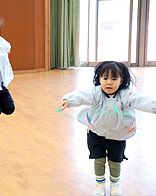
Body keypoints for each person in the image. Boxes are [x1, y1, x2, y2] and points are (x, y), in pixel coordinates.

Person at [59, 61, 156, 196]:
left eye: (114, 79)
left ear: (121, 80)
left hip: (118, 135)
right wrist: (68, 100)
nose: (109, 83)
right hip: (96, 133)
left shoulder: (126, 94)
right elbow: (81, 95)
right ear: (99, 79)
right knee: (98, 160)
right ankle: (99, 185)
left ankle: (115, 184)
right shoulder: (96, 92)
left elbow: (142, 100)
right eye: (105, 78)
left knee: (115, 161)